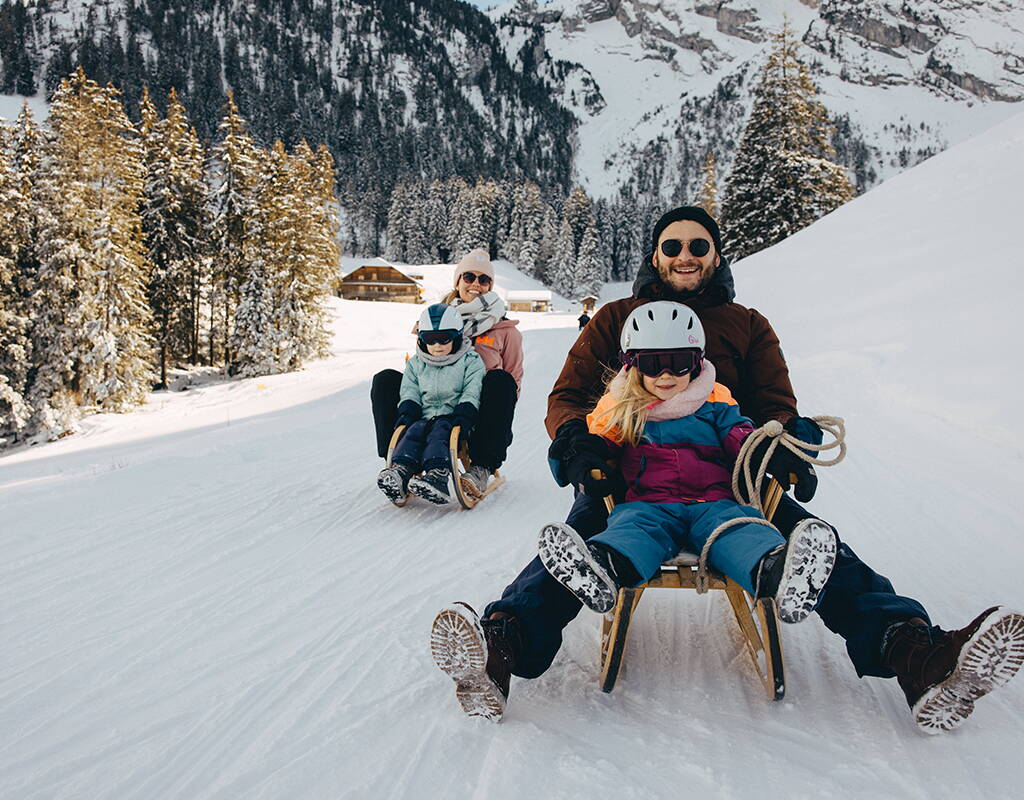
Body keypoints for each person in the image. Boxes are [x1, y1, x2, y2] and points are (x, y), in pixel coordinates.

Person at [430, 205, 1024, 733]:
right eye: (673, 245)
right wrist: (578, 442)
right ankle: (501, 648)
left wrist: (786, 442)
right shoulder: (616, 317)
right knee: (587, 533)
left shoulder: (747, 323)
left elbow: (775, 405)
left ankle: (915, 655)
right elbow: (568, 395)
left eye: (698, 245)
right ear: (655, 256)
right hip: (626, 471)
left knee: (810, 544)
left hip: (732, 476)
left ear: (716, 255)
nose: (685, 256)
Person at [536, 300, 838, 626]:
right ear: (633, 364)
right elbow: (595, 442)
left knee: (741, 530)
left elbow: (742, 438)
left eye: (678, 362)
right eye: (653, 363)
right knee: (632, 530)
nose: (666, 374)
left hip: (715, 501)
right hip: (651, 504)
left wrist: (774, 447)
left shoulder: (715, 402)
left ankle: (779, 574)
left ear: (696, 363)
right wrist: (577, 455)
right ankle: (602, 569)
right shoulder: (622, 408)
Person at [371, 249, 523, 499]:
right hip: (434, 398)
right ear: (458, 280)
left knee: (502, 382)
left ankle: (481, 467)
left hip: (477, 408)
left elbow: (514, 381)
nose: (476, 284)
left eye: (483, 280)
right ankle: (398, 462)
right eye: (469, 277)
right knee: (385, 380)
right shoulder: (435, 318)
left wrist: (480, 409)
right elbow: (421, 364)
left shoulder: (505, 331)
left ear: (491, 285)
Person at [376, 303, 484, 505]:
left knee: (439, 435)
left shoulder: (470, 360)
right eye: (429, 339)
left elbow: (472, 389)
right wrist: (408, 411)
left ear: (457, 336)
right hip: (424, 416)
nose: (437, 345)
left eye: (444, 338)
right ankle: (401, 472)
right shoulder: (416, 363)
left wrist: (464, 414)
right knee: (412, 433)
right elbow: (410, 389)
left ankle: (438, 475)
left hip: (451, 417)